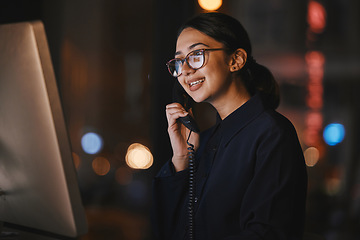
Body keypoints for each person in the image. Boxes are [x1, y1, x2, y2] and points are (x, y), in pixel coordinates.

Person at [152, 12, 307, 240]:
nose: (184, 70)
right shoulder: (204, 142)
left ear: (236, 60)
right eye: (178, 61)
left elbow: (266, 232)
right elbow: (170, 229)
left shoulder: (271, 133)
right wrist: (181, 160)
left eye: (196, 55)